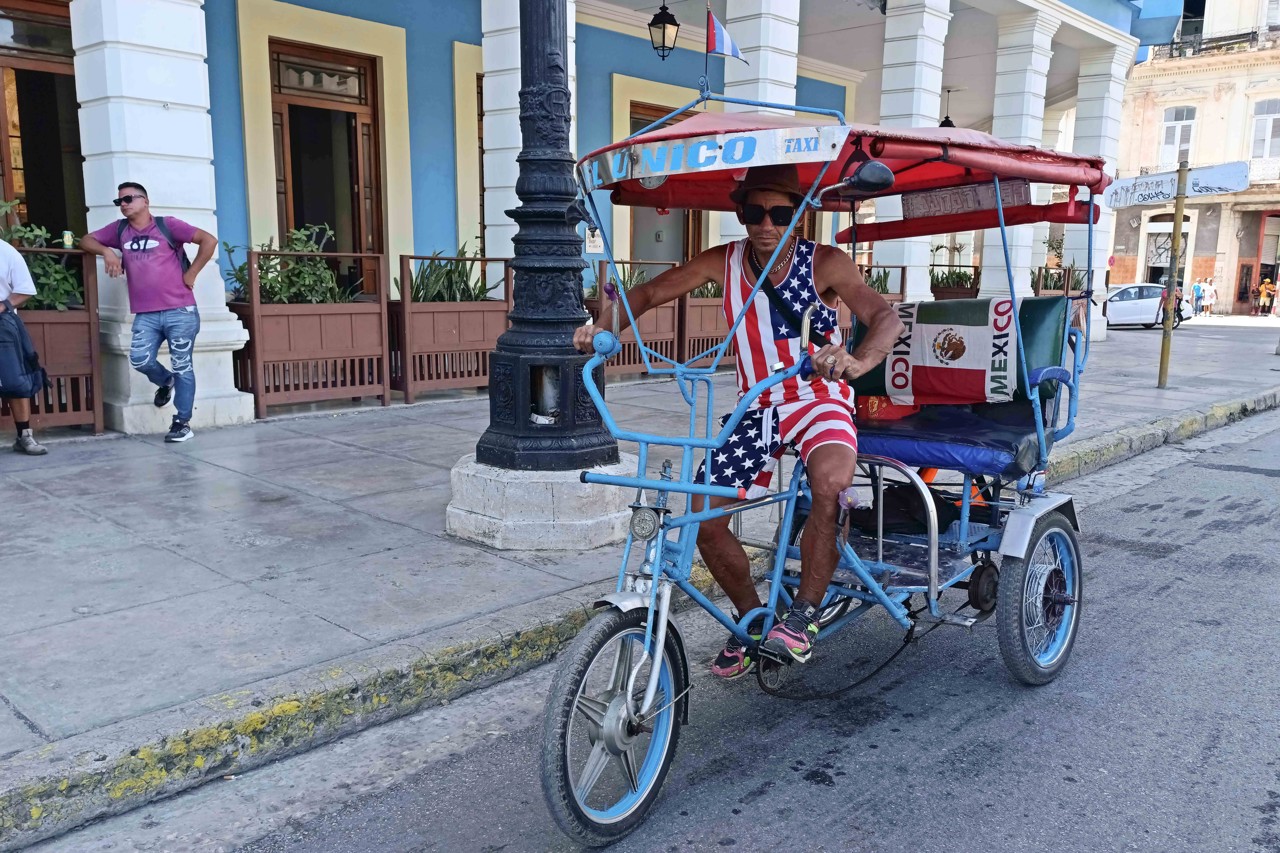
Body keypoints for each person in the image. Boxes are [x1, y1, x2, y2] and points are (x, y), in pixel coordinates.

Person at [573, 164, 904, 676]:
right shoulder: (723, 261)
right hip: (758, 406)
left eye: (780, 212)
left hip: (818, 398)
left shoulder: (827, 263)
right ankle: (753, 620)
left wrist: (857, 362)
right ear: (741, 214)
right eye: (755, 212)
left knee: (833, 483)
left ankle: (803, 617)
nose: (766, 223)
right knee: (701, 517)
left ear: (799, 215)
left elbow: (885, 317)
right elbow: (650, 294)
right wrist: (602, 327)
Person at [80, 182, 217, 442]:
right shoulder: (119, 230)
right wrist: (107, 251)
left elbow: (208, 241)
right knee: (140, 359)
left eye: (129, 198)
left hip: (180, 310)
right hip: (146, 314)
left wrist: (192, 272)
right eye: (119, 201)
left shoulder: (167, 225)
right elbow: (86, 240)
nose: (123, 204)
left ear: (145, 201)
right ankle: (166, 381)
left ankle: (182, 423)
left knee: (183, 365)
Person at [0, 239, 46, 455]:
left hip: (3, 323)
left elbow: (25, 290)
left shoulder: (7, 252)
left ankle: (24, 436)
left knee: (15, 379)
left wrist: (2, 306)